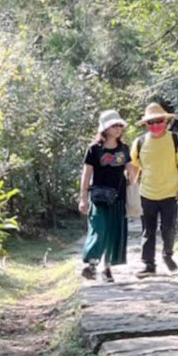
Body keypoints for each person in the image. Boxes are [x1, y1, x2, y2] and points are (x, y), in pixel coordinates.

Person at [128, 101, 178, 277]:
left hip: (170, 192)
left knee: (168, 228)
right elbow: (133, 167)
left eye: (159, 121)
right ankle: (148, 265)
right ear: (146, 124)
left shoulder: (175, 140)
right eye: (151, 122)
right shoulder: (139, 142)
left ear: (166, 121)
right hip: (146, 193)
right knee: (148, 231)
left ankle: (167, 255)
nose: (155, 125)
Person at [78, 109, 131, 282]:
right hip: (99, 197)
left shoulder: (124, 149)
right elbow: (86, 175)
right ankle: (91, 264)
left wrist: (136, 177)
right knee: (98, 230)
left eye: (119, 125)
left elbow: (131, 171)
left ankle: (106, 268)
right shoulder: (94, 149)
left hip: (119, 197)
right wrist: (83, 198)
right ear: (105, 128)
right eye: (113, 125)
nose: (117, 128)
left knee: (113, 233)